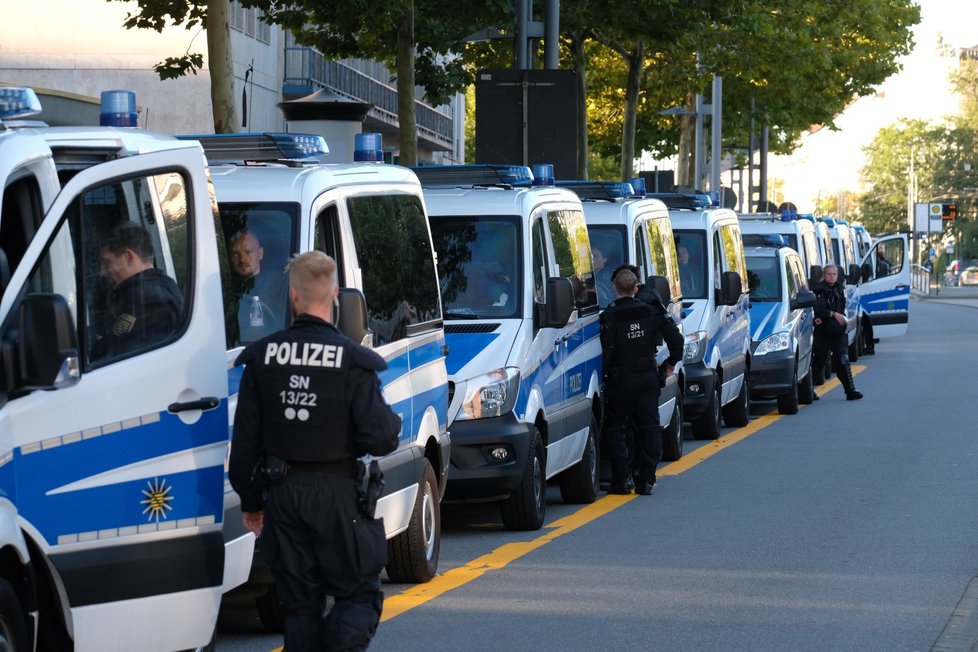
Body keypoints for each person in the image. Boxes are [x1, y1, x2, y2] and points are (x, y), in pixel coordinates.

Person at [229, 251, 401, 651]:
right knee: (358, 596)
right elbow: (382, 438)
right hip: (338, 496)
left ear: (293, 296)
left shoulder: (262, 358)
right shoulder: (353, 361)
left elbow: (244, 445)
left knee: (300, 608)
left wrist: (252, 501)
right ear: (335, 293)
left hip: (283, 497)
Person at [600, 265, 684, 495]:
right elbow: (676, 340)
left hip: (620, 380)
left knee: (617, 427)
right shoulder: (651, 312)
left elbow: (606, 350)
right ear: (636, 288)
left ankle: (622, 478)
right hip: (647, 378)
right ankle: (646, 479)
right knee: (650, 427)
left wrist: (604, 376)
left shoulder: (609, 315)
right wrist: (670, 363)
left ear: (615, 288)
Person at [94, 223, 182, 360]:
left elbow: (125, 359)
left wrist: (101, 344)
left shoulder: (152, 299)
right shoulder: (156, 289)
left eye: (106, 263)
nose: (102, 273)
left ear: (128, 257)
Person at [811, 264, 862, 400]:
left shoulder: (840, 289)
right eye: (829, 274)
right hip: (823, 331)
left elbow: (842, 309)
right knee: (819, 361)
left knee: (843, 359)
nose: (832, 276)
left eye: (834, 274)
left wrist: (838, 317)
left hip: (837, 331)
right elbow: (818, 310)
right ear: (824, 275)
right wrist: (832, 314)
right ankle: (809, 389)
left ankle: (850, 390)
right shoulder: (818, 290)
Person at [229, 227, 286, 342]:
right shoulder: (224, 288)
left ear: (260, 253)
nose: (242, 259)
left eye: (248, 252)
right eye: (235, 253)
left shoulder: (281, 286)